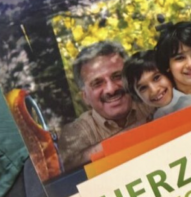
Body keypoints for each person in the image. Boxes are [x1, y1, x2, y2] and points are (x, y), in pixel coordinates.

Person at [57, 41, 153, 171]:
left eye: (118, 76)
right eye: (97, 83)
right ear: (85, 97)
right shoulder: (74, 134)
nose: (111, 89)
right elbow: (67, 168)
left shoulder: (153, 102)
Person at [123, 50, 191, 120]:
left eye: (156, 78)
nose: (154, 90)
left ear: (168, 73)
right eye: (143, 88)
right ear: (137, 96)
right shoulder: (156, 118)